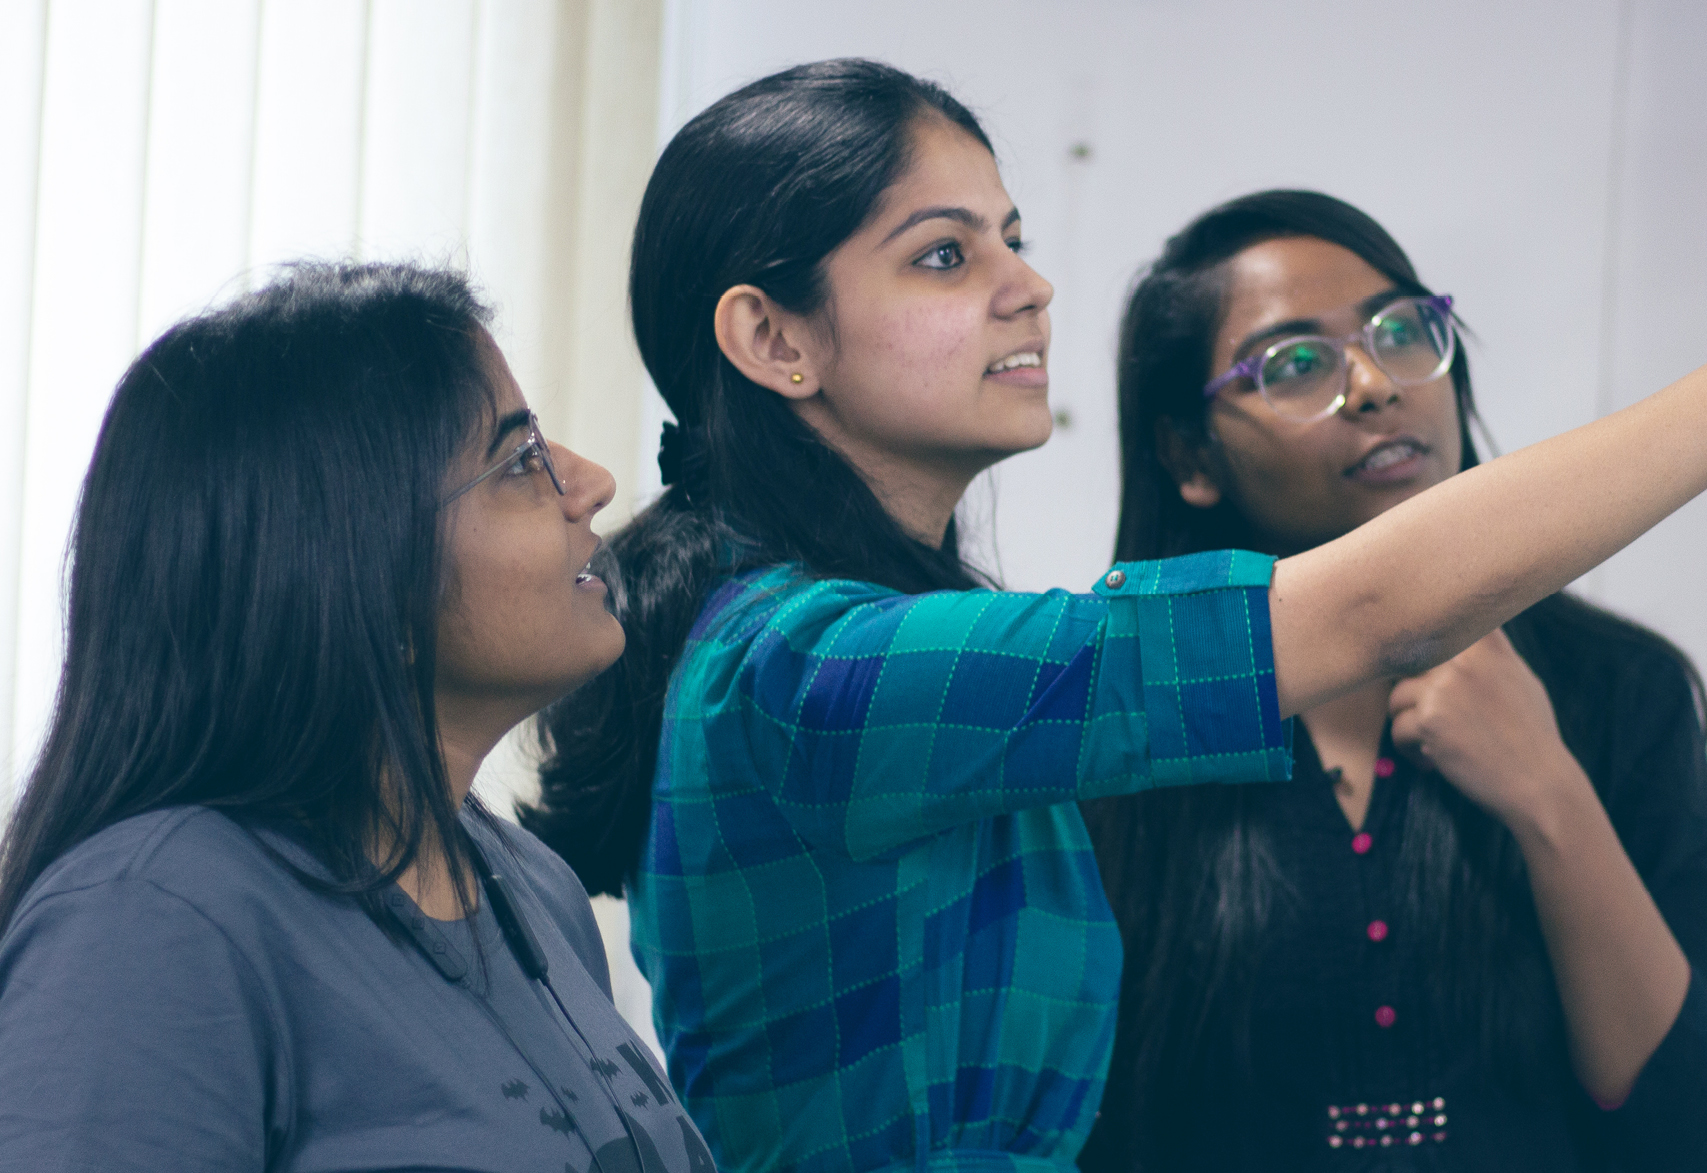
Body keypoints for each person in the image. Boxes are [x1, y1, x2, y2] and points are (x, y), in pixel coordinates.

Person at [525, 59, 1707, 1173]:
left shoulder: (851, 645)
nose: (1029, 288)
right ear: (774, 340)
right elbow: (1368, 609)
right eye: (944, 257)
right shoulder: (804, 670)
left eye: (1016, 241)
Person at [0, 263, 718, 1173]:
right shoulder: (152, 919)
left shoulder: (535, 889)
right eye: (518, 462)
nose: (594, 483)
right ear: (356, 566)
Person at [1077, 189, 1707, 1172]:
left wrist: (1549, 797)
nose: (1375, 384)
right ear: (1188, 456)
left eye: (1402, 330)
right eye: (1294, 364)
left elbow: (1673, 1122)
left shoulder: (1624, 690)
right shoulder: (1127, 718)